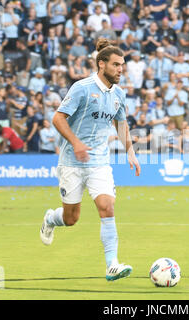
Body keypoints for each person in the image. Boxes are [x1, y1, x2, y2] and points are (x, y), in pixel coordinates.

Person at [40, 38, 141, 282]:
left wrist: (130, 150)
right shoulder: (82, 88)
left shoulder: (118, 94)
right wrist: (76, 143)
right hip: (71, 162)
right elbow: (57, 119)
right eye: (116, 65)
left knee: (107, 207)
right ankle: (50, 219)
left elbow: (121, 123)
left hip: (99, 163)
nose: (120, 70)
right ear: (101, 64)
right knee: (71, 218)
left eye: (122, 65)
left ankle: (112, 265)